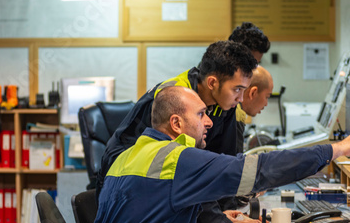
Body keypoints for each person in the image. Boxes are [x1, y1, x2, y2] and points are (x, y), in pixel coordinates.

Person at [86, 86, 350, 223]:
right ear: (176, 123)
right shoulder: (177, 159)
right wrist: (336, 149)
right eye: (201, 114)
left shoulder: (131, 154)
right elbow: (259, 169)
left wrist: (216, 220)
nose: (209, 123)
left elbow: (159, 205)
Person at [97, 40, 258, 195]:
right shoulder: (173, 99)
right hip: (124, 183)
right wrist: (218, 221)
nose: (241, 99)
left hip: (167, 186)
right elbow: (181, 171)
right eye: (237, 89)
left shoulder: (225, 101)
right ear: (212, 83)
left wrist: (231, 213)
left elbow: (223, 161)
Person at [235, 65, 274, 154]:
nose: (266, 104)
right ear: (253, 93)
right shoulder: (235, 115)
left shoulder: (236, 111)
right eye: (267, 97)